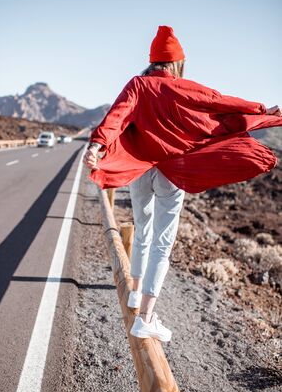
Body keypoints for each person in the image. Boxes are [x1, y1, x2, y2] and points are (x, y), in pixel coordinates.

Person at [83, 25, 281, 342]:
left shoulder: (138, 85)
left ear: (153, 61)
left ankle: (134, 293)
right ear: (176, 63)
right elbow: (221, 104)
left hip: (140, 169)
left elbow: (115, 118)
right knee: (162, 242)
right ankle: (145, 318)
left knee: (142, 227)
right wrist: (261, 111)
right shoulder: (184, 87)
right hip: (172, 172)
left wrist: (96, 146)